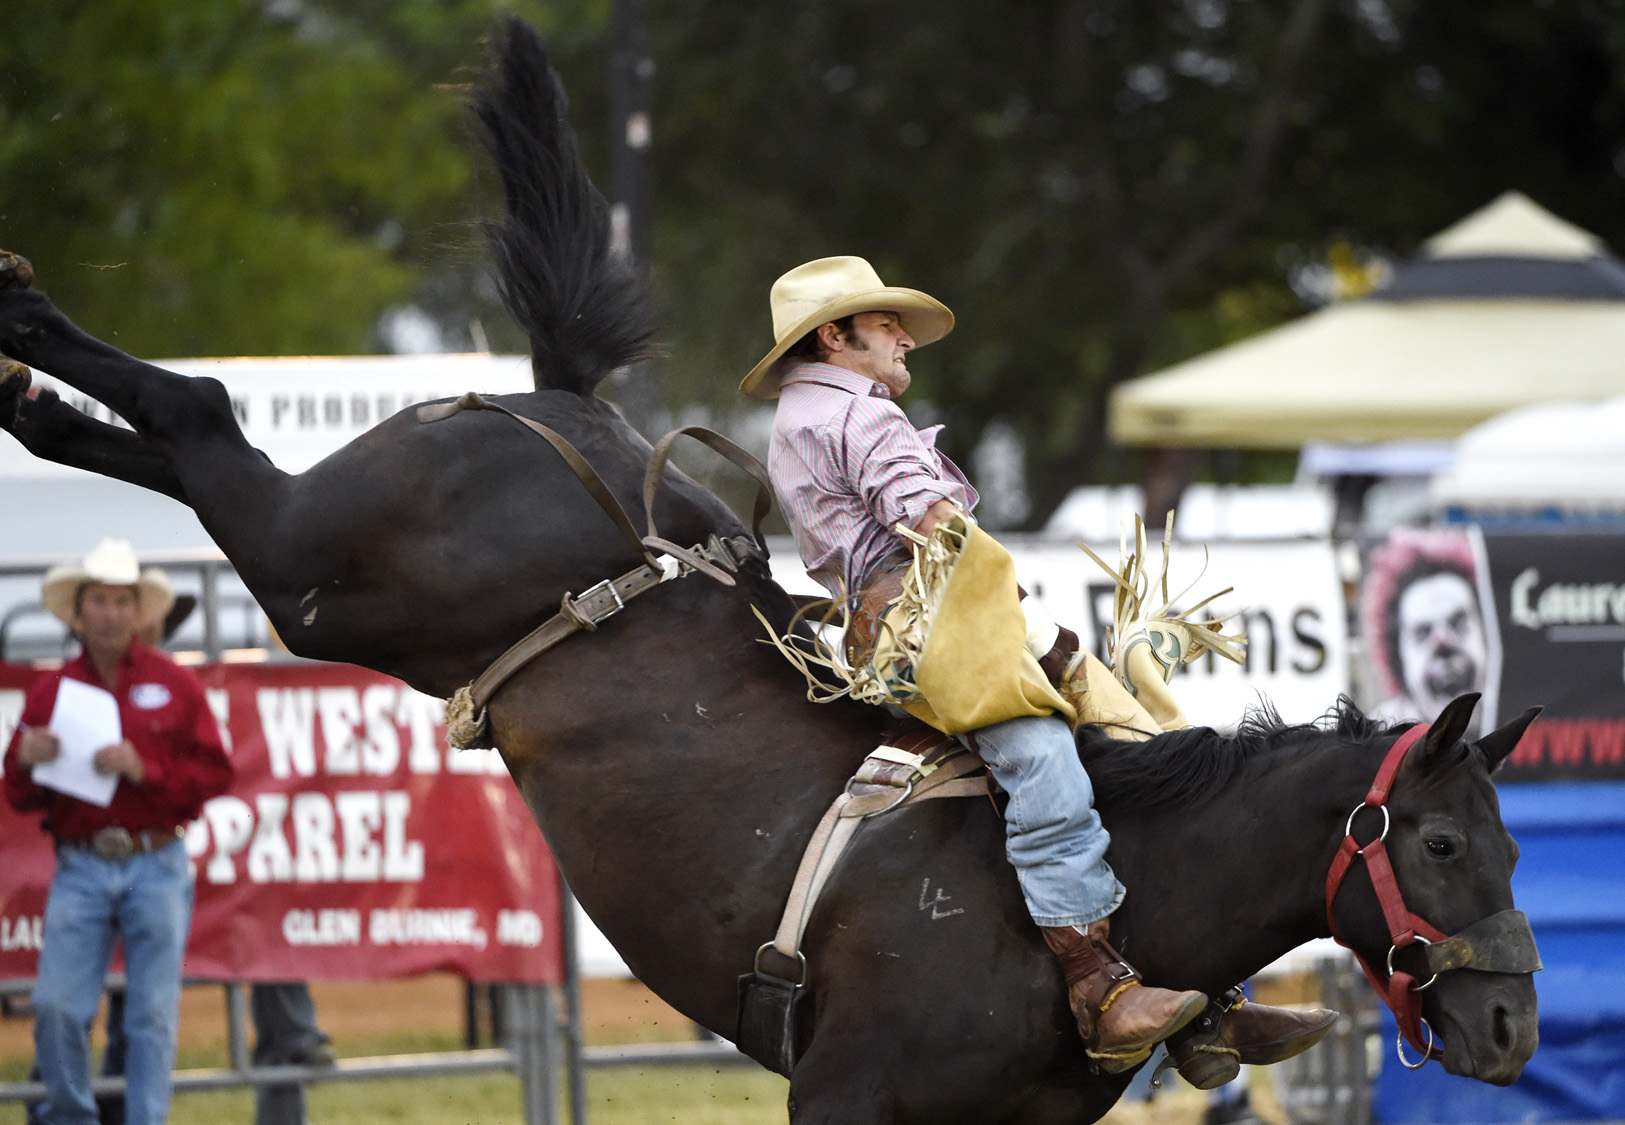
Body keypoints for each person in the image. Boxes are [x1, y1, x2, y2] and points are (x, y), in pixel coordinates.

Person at [745, 256, 1334, 1084]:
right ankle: (1100, 987)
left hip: (920, 625)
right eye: (884, 323)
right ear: (833, 336)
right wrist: (1020, 621)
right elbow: (935, 520)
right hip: (934, 628)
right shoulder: (859, 419)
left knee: (1130, 750)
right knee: (1045, 757)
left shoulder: (807, 420)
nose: (905, 335)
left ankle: (1205, 1004)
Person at [5, 539, 234, 1125]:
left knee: (151, 1015)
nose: (109, 612)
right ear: (78, 614)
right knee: (57, 1006)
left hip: (155, 859)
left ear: (137, 611)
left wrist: (145, 768)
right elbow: (20, 794)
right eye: (99, 601)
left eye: (120, 600)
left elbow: (215, 774)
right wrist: (25, 757)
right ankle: (71, 1114)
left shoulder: (175, 684)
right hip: (82, 863)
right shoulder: (50, 693)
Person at [1361, 530, 1490, 732]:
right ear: (1397, 660)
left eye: (1458, 623)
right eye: (1422, 633)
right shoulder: (1380, 739)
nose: (1442, 640)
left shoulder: (1523, 722)